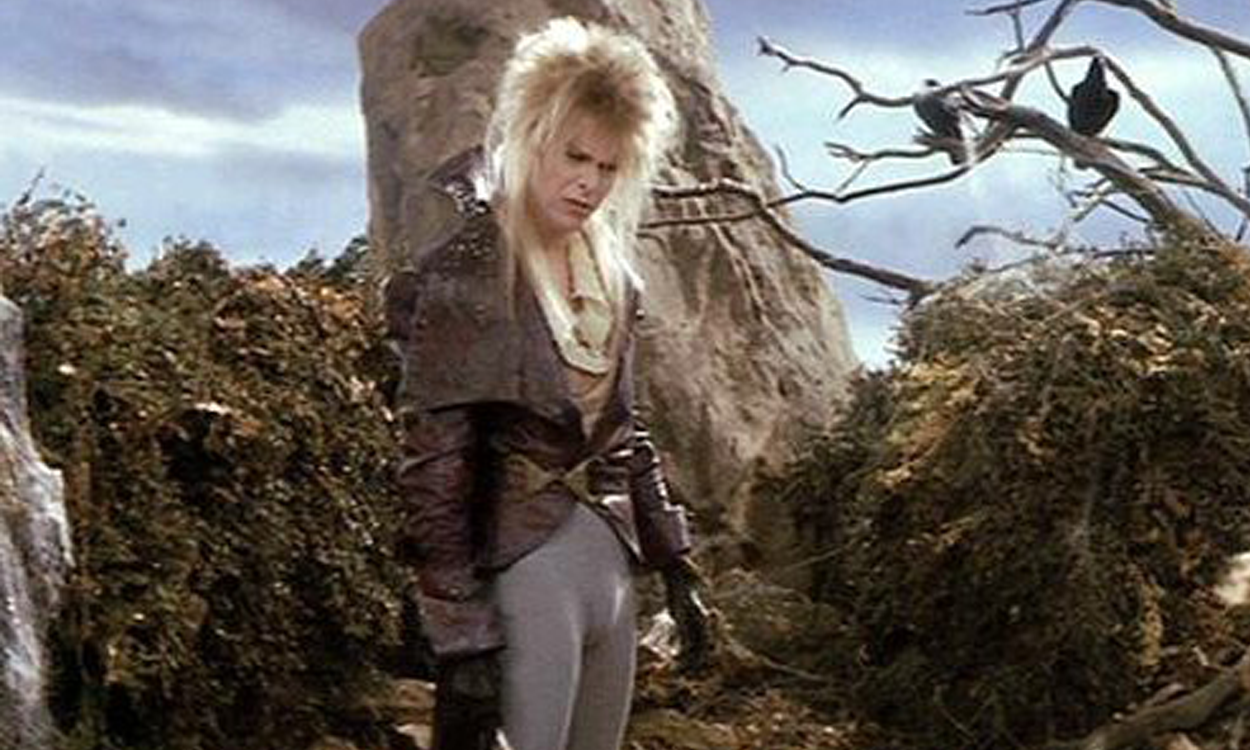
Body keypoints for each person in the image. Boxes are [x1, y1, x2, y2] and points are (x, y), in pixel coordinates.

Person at [383, 17, 711, 750]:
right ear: (531, 137)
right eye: (575, 156)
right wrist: (460, 633)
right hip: (526, 572)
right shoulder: (468, 272)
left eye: (609, 166)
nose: (590, 182)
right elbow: (433, 468)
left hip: (610, 570)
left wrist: (675, 560)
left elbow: (626, 432)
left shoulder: (614, 277)